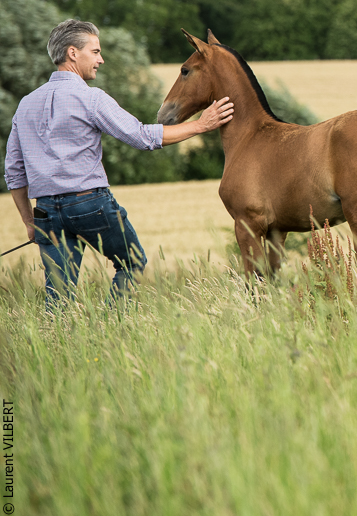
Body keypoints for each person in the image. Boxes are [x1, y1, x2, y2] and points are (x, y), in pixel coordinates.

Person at [3, 20, 234, 309]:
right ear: (73, 53)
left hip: (46, 211)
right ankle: (111, 321)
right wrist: (201, 125)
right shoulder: (91, 98)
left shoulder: (25, 104)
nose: (100, 59)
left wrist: (28, 221)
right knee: (132, 261)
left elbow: (13, 170)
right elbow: (142, 137)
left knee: (58, 294)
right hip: (90, 203)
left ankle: (57, 339)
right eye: (96, 51)